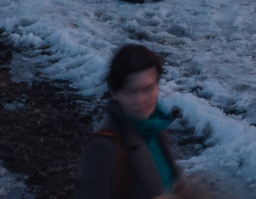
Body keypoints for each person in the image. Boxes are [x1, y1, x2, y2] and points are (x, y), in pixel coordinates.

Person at [75, 43, 182, 199]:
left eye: (148, 89)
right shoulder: (104, 148)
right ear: (114, 93)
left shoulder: (155, 125)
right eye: (131, 91)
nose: (141, 100)